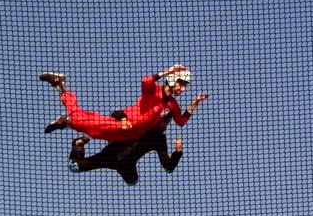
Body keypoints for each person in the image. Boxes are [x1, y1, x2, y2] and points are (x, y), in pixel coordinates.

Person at [40, 65, 207, 142]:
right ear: (172, 80)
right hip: (122, 124)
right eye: (181, 84)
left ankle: (64, 118)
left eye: (185, 86)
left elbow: (181, 121)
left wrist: (195, 102)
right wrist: (167, 71)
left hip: (129, 135)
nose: (183, 89)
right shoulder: (154, 90)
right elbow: (146, 80)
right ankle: (60, 89)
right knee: (80, 118)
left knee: (94, 132)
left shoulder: (172, 105)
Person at [67, 111, 191, 185]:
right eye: (164, 121)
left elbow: (169, 167)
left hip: (126, 165)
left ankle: (83, 141)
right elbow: (116, 113)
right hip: (110, 154)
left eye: (167, 122)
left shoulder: (159, 138)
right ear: (156, 119)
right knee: (74, 166)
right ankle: (78, 143)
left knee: (133, 182)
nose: (165, 125)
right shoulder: (141, 121)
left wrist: (178, 151)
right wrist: (124, 119)